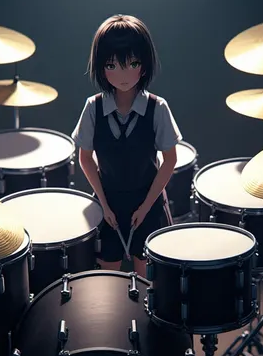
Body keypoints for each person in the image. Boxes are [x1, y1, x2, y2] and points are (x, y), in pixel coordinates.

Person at [71, 14, 182, 279]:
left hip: (149, 200)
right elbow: (85, 158)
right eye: (112, 65)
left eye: (131, 63)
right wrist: (105, 204)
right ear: (101, 66)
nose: (122, 75)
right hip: (108, 200)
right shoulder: (93, 107)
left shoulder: (157, 107)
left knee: (146, 278)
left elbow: (169, 161)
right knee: (107, 277)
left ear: (144, 65)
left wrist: (145, 207)